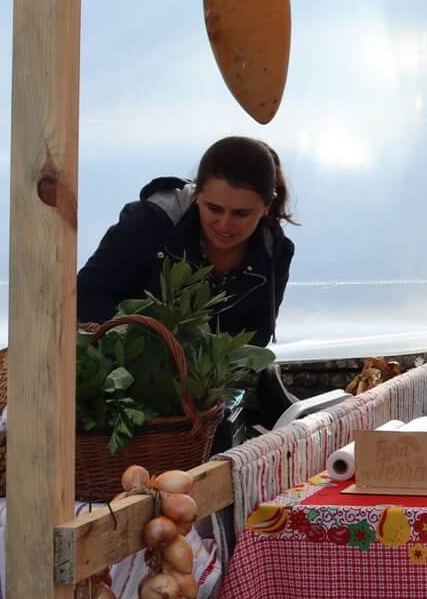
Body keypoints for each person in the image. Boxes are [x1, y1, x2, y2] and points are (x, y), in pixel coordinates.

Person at [77, 136, 297, 430]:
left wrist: (204, 375)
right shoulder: (148, 224)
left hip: (204, 403)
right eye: (213, 208)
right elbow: (86, 297)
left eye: (242, 214)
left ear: (267, 206)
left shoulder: (275, 253)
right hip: (116, 389)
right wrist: (144, 349)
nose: (225, 224)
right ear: (196, 195)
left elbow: (254, 339)